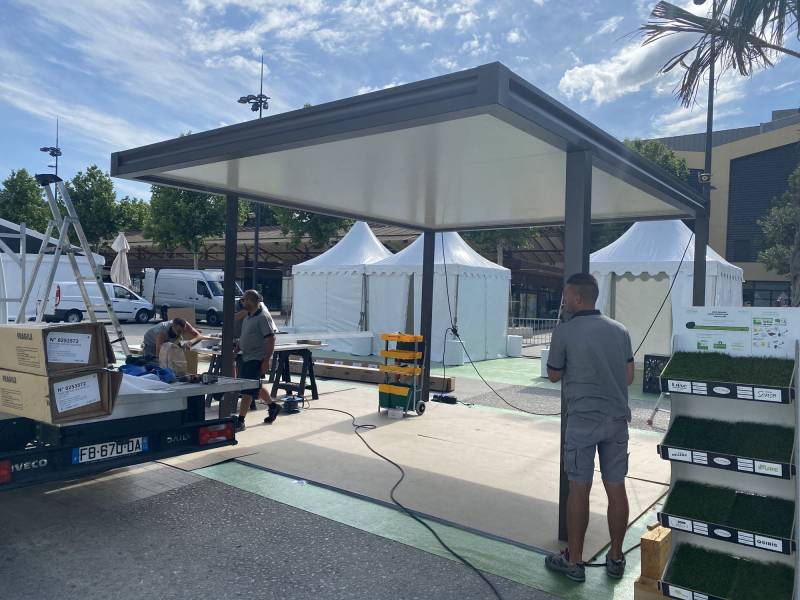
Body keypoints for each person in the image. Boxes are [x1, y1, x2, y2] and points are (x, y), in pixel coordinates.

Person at [543, 273, 634, 583]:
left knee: (579, 489)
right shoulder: (620, 330)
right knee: (616, 487)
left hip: (582, 422)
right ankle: (616, 557)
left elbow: (554, 374)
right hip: (617, 422)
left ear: (578, 298)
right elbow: (630, 375)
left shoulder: (564, 332)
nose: (565, 301)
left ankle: (575, 562)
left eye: (567, 296)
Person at [234, 289, 279, 431]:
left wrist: (266, 360)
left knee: (247, 389)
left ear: (254, 301)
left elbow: (271, 339)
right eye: (243, 300)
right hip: (246, 356)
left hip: (256, 358)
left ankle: (240, 421)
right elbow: (245, 336)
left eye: (246, 300)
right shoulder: (248, 316)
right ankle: (273, 406)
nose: (244, 302)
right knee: (255, 387)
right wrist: (237, 348)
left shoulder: (262, 317)